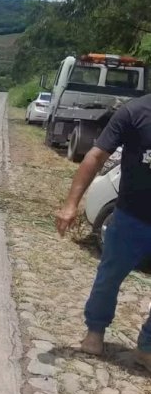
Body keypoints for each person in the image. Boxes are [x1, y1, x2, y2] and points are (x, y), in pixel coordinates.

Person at [55, 94, 151, 371]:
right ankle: (95, 331)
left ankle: (146, 347)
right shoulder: (135, 112)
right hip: (130, 218)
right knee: (109, 277)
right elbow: (96, 155)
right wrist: (71, 204)